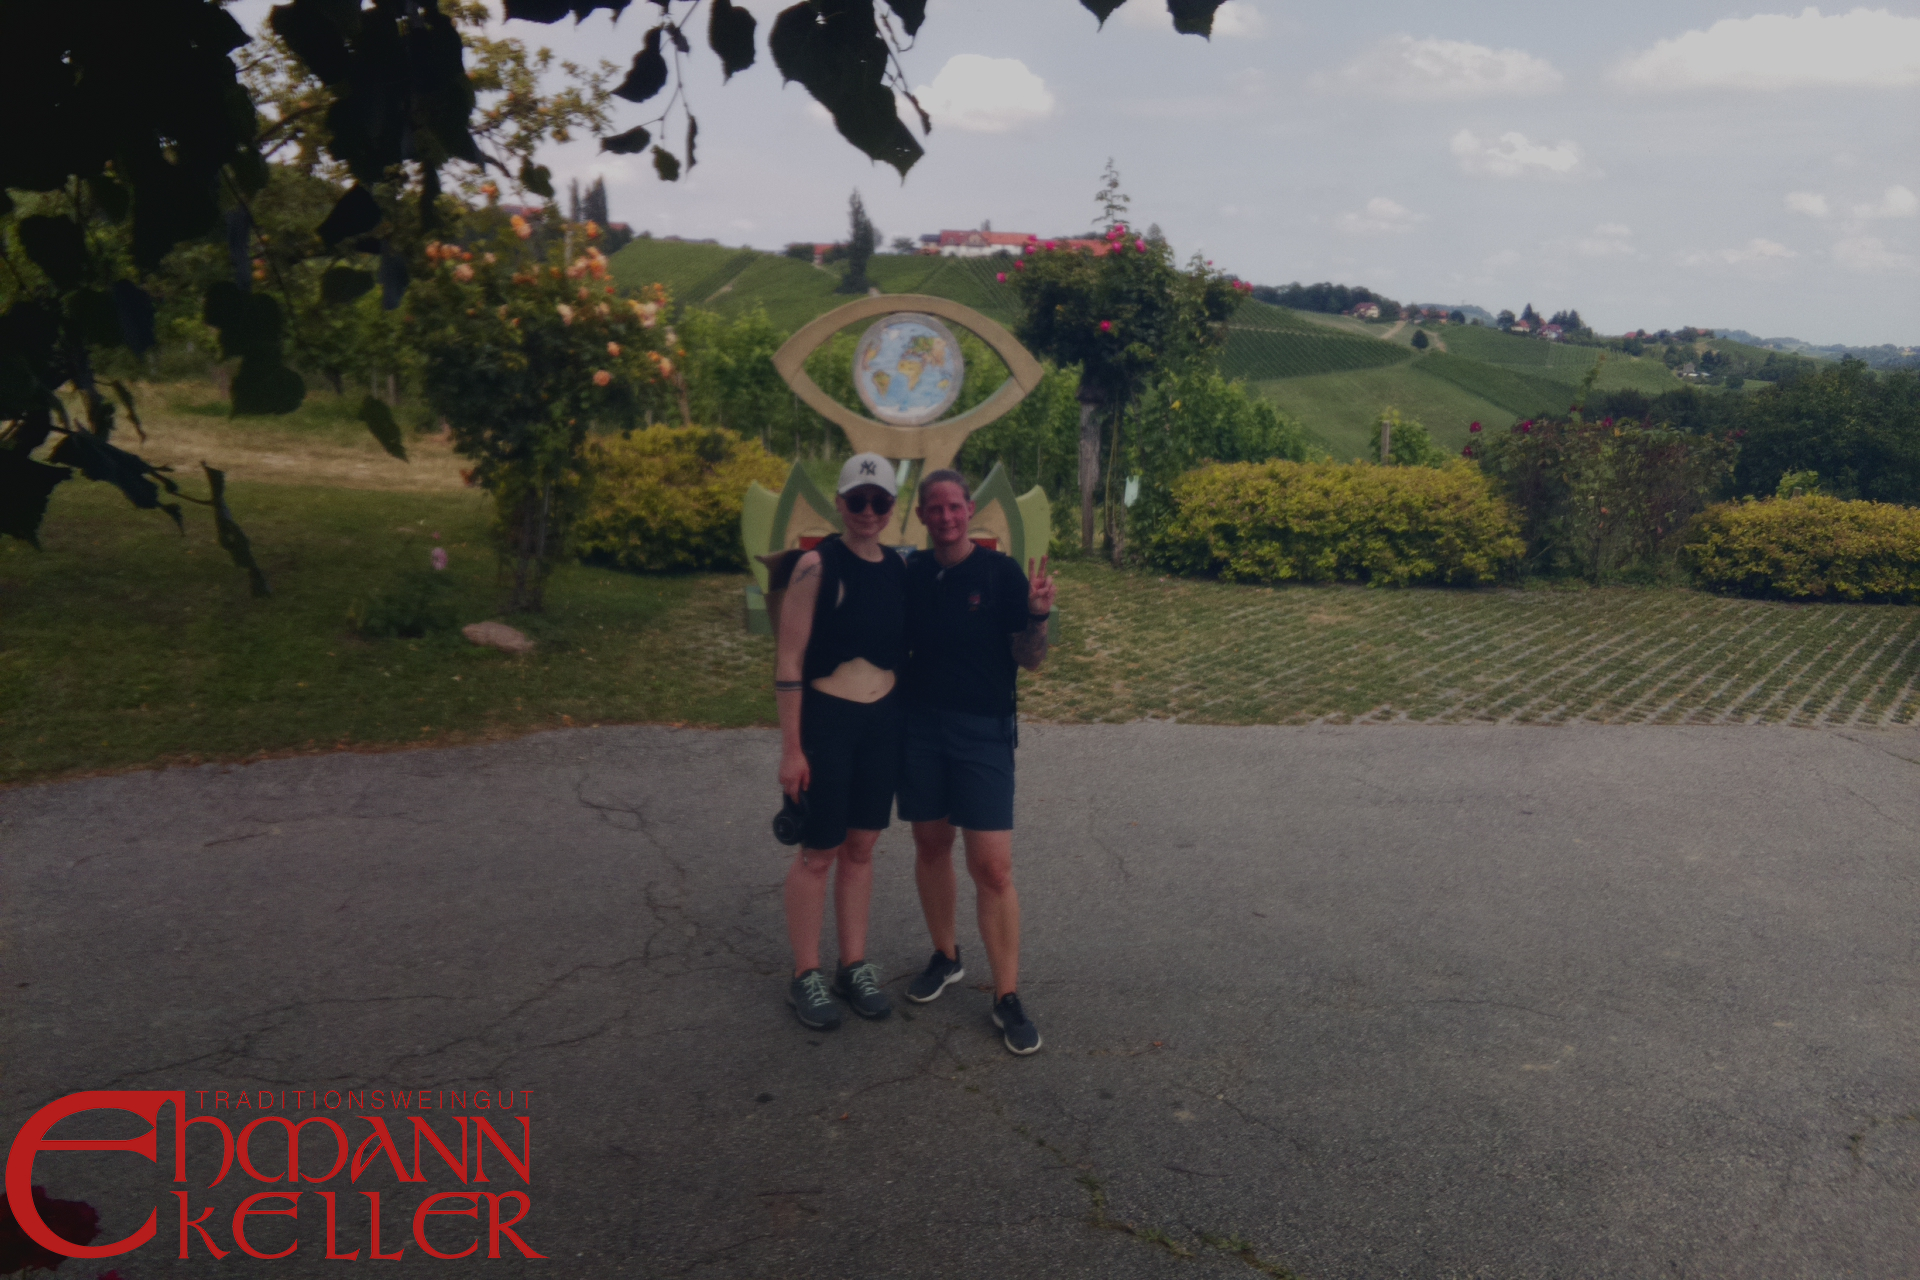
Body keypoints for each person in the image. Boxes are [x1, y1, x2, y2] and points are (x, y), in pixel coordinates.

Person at [896, 469, 1056, 1054]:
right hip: (920, 727)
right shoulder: (911, 572)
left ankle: (1006, 995)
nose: (945, 516)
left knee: (992, 868)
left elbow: (1030, 659)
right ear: (922, 515)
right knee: (931, 844)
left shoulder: (999, 572)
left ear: (970, 510)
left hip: (984, 731)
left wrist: (1037, 616)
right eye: (934, 508)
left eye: (954, 506)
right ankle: (946, 955)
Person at [774, 453, 908, 1031]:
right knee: (818, 852)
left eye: (880, 502)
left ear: (892, 507)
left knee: (861, 849)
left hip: (882, 724)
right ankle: (806, 973)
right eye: (858, 500)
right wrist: (791, 749)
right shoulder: (815, 566)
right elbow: (789, 659)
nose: (869, 511)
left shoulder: (897, 567)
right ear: (841, 503)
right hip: (827, 722)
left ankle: (853, 964)